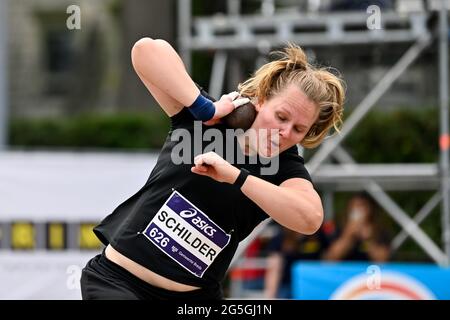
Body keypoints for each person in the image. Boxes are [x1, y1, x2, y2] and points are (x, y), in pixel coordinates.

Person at [80, 38, 345, 300]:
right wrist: (204, 108)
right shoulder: (208, 120)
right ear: (262, 100)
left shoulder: (284, 168)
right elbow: (145, 50)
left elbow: (310, 218)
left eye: (298, 129)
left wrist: (236, 177)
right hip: (118, 282)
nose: (285, 132)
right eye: (281, 116)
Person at [264, 224, 331, 299]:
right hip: (288, 285)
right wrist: (271, 296)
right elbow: (274, 269)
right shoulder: (281, 237)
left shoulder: (318, 235)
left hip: (314, 284)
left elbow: (328, 259)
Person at [322, 193, 391, 262]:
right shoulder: (338, 228)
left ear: (370, 208)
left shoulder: (379, 230)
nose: (357, 210)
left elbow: (382, 260)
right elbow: (330, 258)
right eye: (353, 206)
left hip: (371, 271)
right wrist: (348, 235)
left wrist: (367, 239)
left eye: (361, 206)